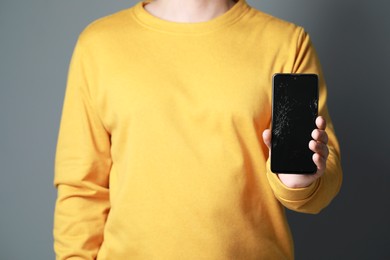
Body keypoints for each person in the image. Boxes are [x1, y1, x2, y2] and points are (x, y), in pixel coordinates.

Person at [53, 0, 342, 259]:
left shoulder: (286, 43)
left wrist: (298, 181)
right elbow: (82, 186)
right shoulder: (99, 45)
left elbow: (324, 179)